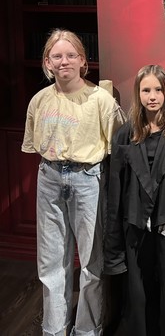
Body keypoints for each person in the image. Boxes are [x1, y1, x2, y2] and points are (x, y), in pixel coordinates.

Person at [21, 28, 126, 336]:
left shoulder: (101, 101)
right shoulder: (39, 101)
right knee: (51, 262)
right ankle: (54, 330)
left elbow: (119, 148)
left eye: (70, 55)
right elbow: (34, 144)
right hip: (50, 177)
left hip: (88, 179)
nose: (63, 61)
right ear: (47, 62)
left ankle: (87, 330)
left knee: (92, 262)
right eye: (56, 56)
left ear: (82, 60)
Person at [104, 64, 165, 336]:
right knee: (137, 295)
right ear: (138, 93)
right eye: (146, 90)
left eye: (158, 89)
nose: (152, 96)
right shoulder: (125, 135)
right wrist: (114, 245)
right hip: (135, 226)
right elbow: (115, 192)